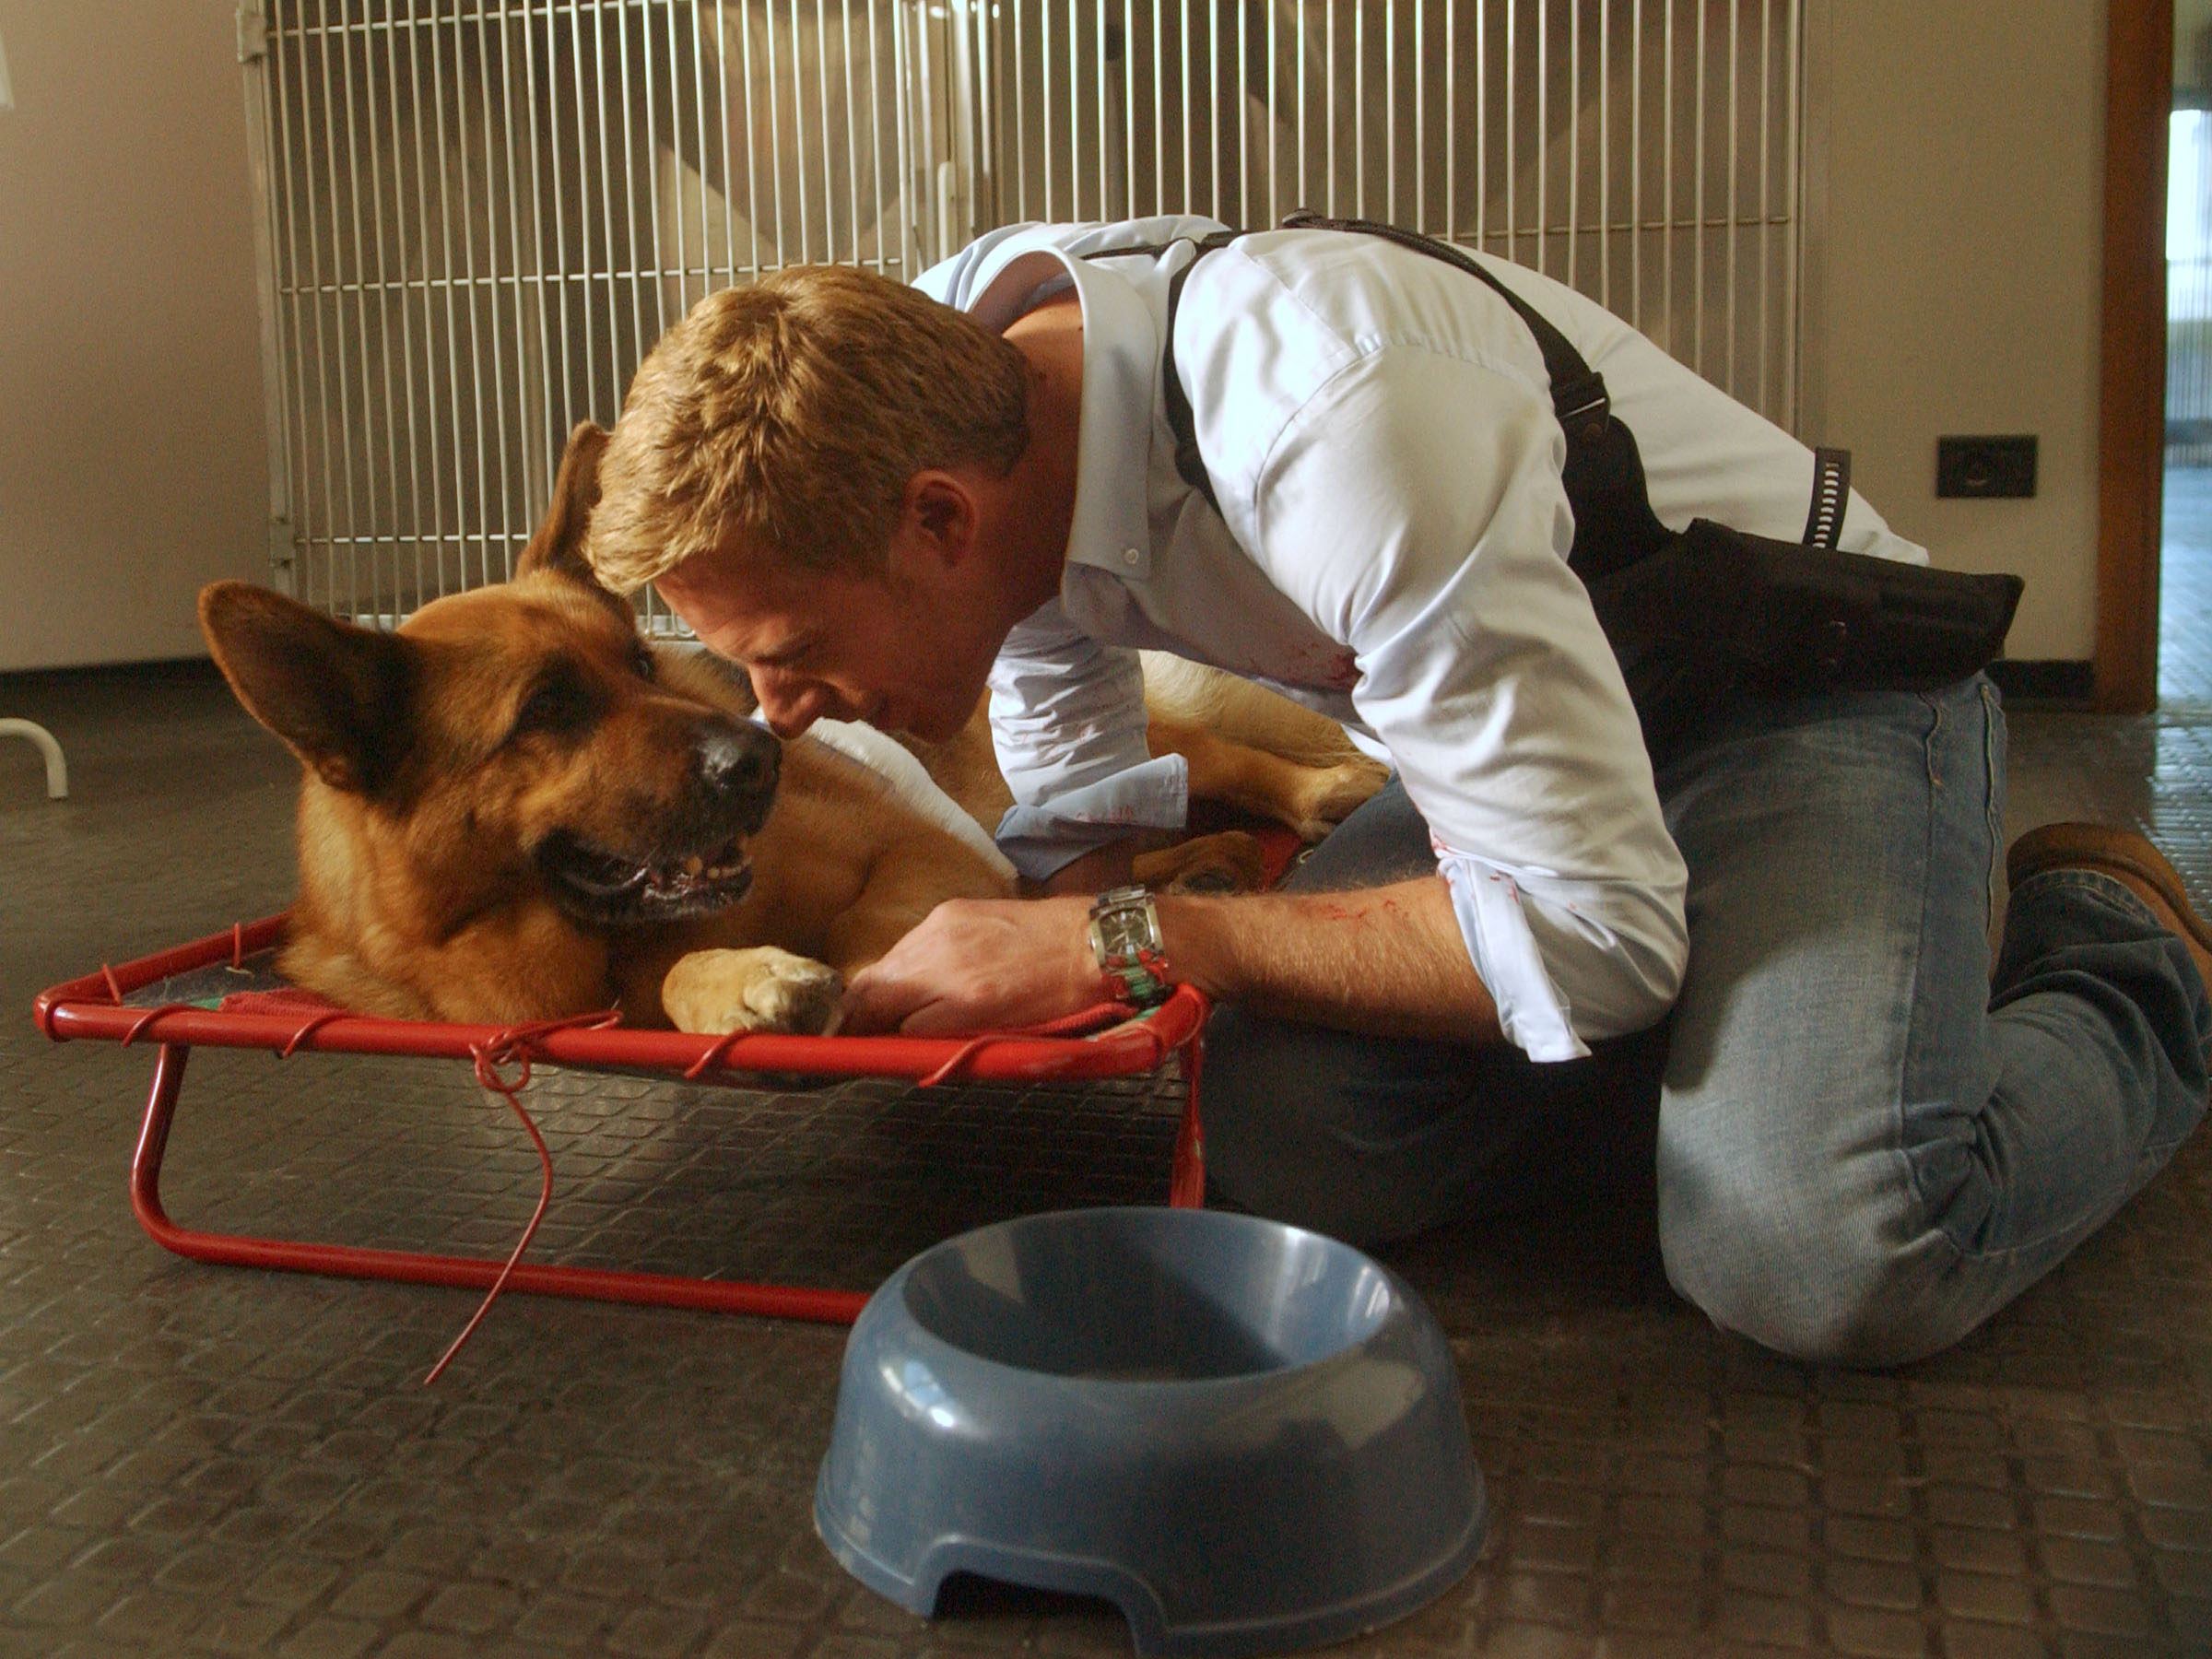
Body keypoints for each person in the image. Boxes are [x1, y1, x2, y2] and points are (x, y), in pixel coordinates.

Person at [583, 215, 2212, 1367]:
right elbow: (1053, 658)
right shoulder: (956, 370)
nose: (775, 718)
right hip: (1534, 756)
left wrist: (1134, 942)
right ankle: (1777, 1035)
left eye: (791, 655)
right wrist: (1072, 888)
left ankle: (2119, 951)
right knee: (1287, 1146)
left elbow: (1592, 937)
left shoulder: (1333, 423)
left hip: (1805, 692)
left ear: (938, 519)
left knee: (1824, 1252)